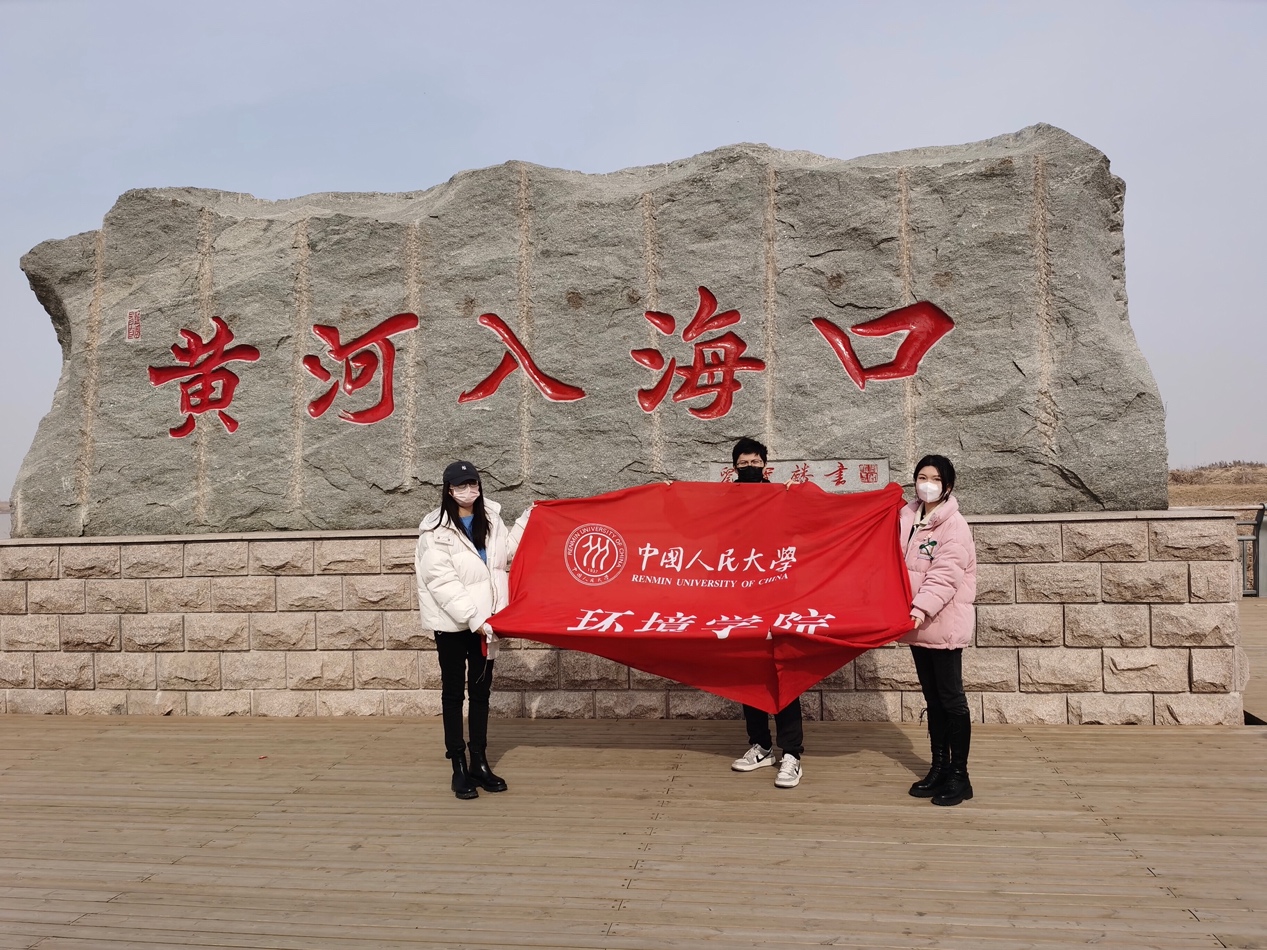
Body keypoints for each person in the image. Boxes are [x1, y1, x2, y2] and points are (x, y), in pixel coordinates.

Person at [415, 460, 512, 800]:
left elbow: (507, 553)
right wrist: (475, 619)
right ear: (448, 490)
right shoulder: (435, 531)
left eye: (473, 484)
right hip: (453, 624)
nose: (468, 490)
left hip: (486, 623)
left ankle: (479, 763)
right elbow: (442, 582)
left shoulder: (493, 520)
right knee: (454, 693)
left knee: (482, 692)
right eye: (461, 485)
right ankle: (458, 765)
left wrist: (534, 517)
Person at [727, 437, 806, 789]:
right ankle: (760, 746)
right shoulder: (723, 501)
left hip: (779, 599)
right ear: (734, 468)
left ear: (765, 466)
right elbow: (692, 522)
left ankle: (792, 753)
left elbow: (807, 525)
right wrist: (669, 492)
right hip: (741, 602)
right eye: (743, 464)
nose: (749, 468)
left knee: (784, 674)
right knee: (751, 672)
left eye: (755, 463)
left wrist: (795, 497)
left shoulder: (781, 497)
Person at [900, 454, 977, 806]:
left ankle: (960, 776)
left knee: (951, 699)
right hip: (917, 625)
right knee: (933, 699)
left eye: (934, 479)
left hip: (940, 621)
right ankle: (939, 768)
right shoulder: (908, 517)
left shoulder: (954, 525)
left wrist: (920, 609)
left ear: (948, 485)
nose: (927, 484)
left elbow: (946, 575)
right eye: (921, 477)